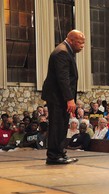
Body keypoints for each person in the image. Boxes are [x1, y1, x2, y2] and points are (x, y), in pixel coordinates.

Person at [41, 29, 85, 165]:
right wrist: (70, 99)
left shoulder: (66, 50)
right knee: (57, 125)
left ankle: (60, 153)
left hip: (59, 96)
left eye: (83, 43)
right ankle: (54, 156)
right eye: (80, 43)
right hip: (58, 97)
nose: (82, 46)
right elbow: (63, 79)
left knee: (61, 126)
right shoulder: (62, 52)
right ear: (71, 40)